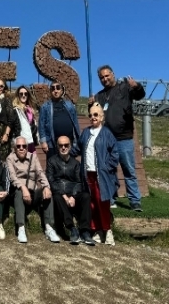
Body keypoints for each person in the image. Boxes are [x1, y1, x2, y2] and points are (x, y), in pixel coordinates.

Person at [89, 65, 146, 211]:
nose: (105, 79)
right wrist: (91, 105)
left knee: (129, 170)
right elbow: (95, 115)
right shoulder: (100, 96)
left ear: (113, 74)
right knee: (108, 171)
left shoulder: (125, 88)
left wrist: (137, 86)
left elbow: (140, 95)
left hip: (124, 138)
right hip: (107, 139)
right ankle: (111, 199)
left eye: (107, 75)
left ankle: (135, 202)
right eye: (102, 77)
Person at [78, 104, 119, 246]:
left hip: (102, 175)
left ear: (101, 117)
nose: (93, 117)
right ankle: (96, 231)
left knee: (103, 203)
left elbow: (115, 154)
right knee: (92, 204)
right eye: (90, 115)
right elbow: (77, 148)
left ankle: (107, 230)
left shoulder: (107, 133)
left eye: (96, 115)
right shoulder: (85, 132)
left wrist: (106, 167)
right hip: (87, 174)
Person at [7, 136, 60, 243]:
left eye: (24, 146)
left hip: (33, 191)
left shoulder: (33, 157)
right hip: (18, 192)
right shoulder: (10, 158)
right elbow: (12, 177)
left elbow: (40, 173)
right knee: (18, 192)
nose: (21, 148)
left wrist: (46, 186)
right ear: (14, 148)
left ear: (27, 147)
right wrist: (23, 188)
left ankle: (49, 228)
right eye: (18, 146)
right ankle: (21, 228)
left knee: (47, 192)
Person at [47, 136, 95, 246]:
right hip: (60, 193)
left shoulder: (76, 163)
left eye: (66, 145)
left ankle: (85, 231)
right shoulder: (52, 161)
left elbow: (79, 182)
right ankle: (72, 228)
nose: (63, 148)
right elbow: (51, 181)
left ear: (70, 146)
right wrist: (65, 196)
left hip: (73, 193)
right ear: (57, 146)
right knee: (57, 197)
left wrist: (73, 196)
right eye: (60, 145)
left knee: (86, 196)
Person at [38, 81, 81, 159]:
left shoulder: (69, 105)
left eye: (58, 88)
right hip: (52, 143)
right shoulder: (45, 107)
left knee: (69, 167)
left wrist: (78, 140)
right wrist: (43, 142)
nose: (55, 90)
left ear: (62, 91)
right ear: (50, 91)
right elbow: (41, 125)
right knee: (53, 167)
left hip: (69, 143)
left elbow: (75, 123)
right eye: (53, 88)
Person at [0, 78, 19, 160]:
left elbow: (11, 118)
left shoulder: (6, 100)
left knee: (3, 159)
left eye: (1, 86)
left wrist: (6, 134)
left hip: (4, 132)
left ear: (4, 88)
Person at [13, 85, 38, 153]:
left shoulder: (31, 109)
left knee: (32, 162)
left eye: (25, 94)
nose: (23, 95)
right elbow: (15, 128)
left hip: (31, 142)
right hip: (21, 143)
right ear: (18, 95)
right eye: (21, 94)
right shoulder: (15, 110)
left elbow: (33, 126)